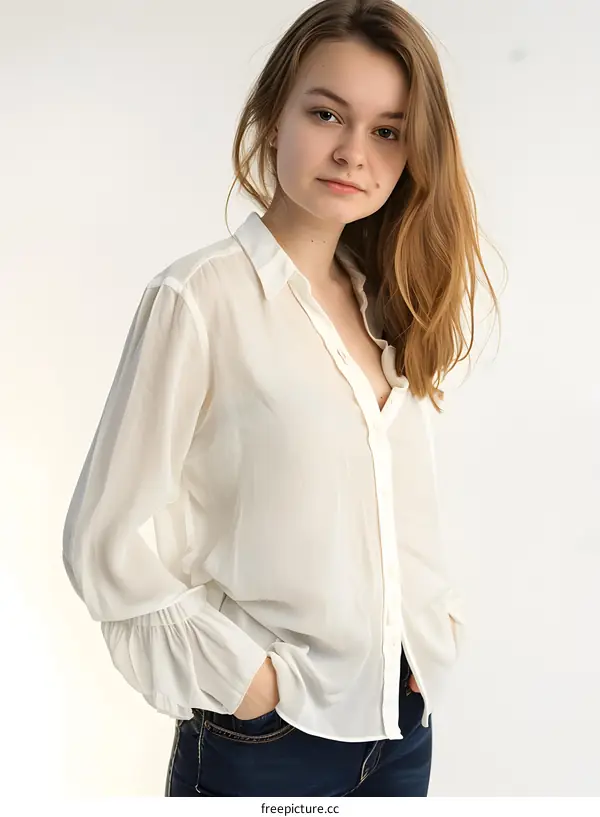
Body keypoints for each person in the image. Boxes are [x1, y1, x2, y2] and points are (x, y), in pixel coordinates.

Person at [62, 0, 502, 798]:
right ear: (274, 116)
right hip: (267, 737)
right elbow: (102, 538)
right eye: (327, 112)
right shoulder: (199, 299)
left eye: (387, 130)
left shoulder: (386, 304)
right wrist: (246, 683)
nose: (353, 152)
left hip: (401, 727)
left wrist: (432, 633)